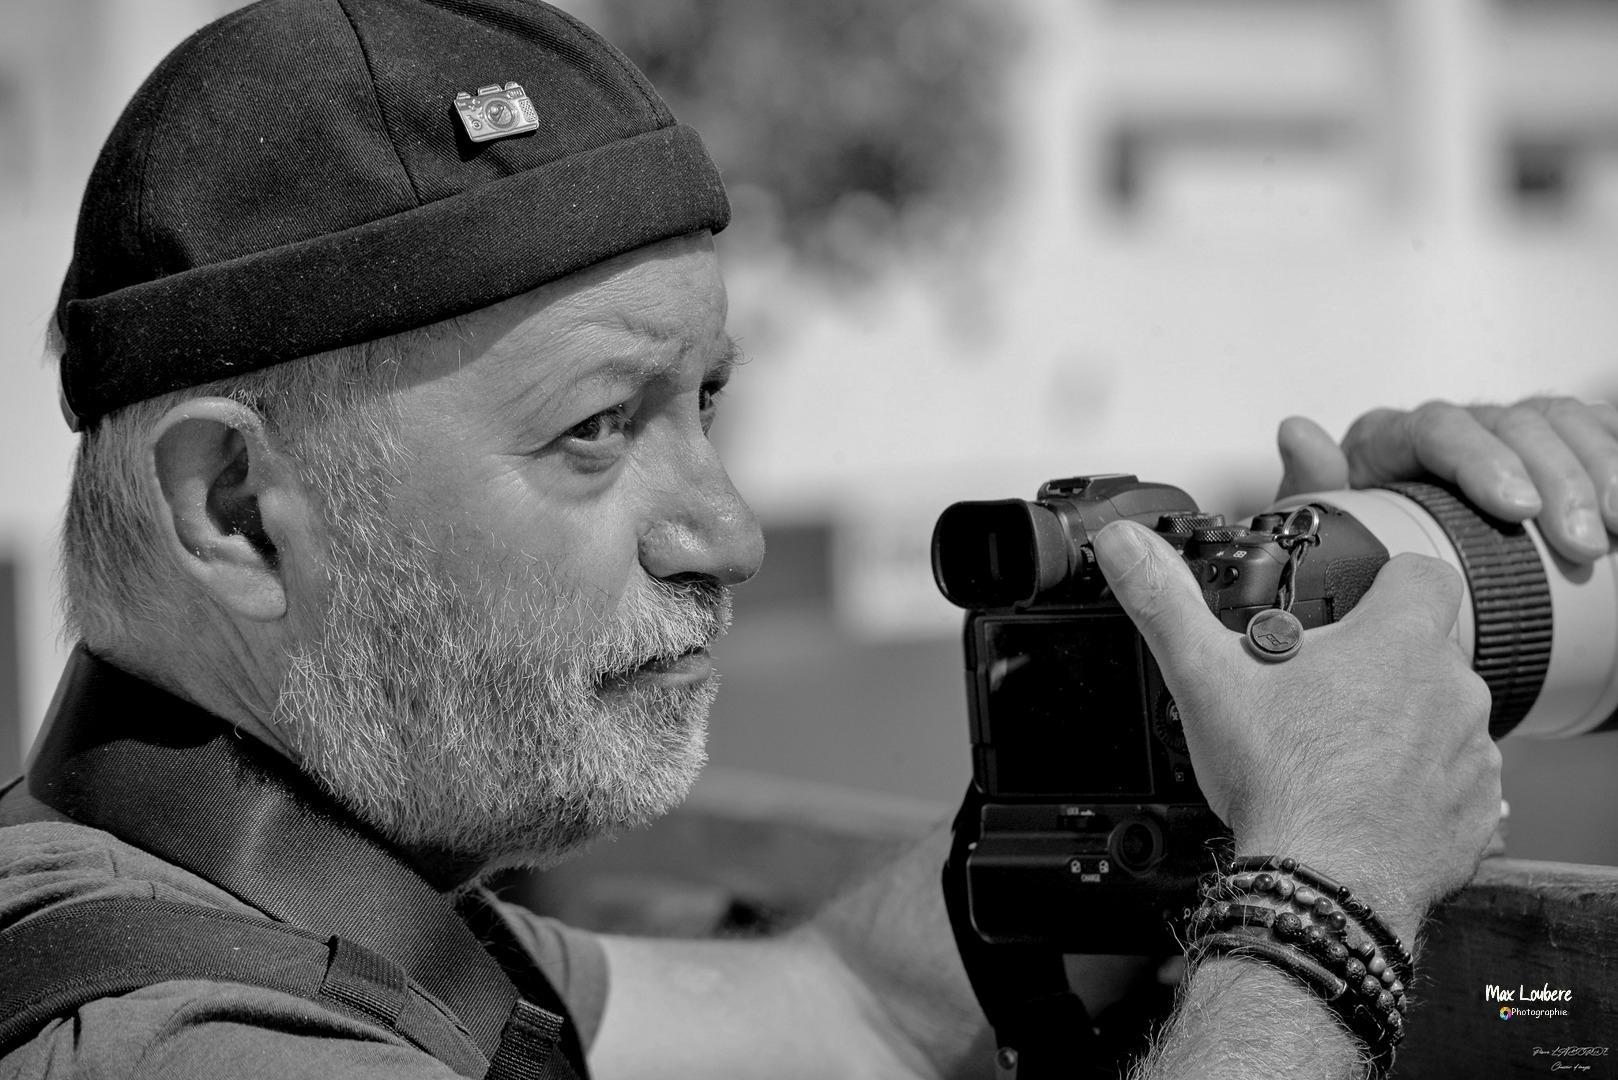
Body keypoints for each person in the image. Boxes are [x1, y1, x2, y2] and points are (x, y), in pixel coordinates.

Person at [1, 1, 1615, 1077]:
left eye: (709, 401)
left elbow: (834, 1006)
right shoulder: (206, 1046)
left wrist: (1259, 690)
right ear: (234, 507)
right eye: (596, 429)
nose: (725, 530)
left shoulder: (254, 911)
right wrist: (1318, 896)